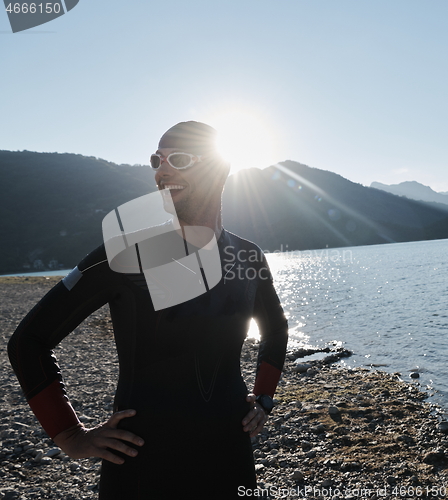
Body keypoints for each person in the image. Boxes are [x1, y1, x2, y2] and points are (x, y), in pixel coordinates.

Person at [8, 121, 288, 499]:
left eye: (179, 159)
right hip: (143, 464)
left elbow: (275, 329)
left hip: (229, 454)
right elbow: (29, 340)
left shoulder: (248, 255)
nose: (162, 170)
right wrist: (69, 435)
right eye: (157, 159)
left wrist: (265, 398)